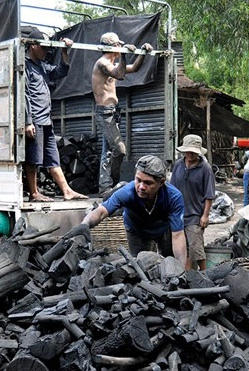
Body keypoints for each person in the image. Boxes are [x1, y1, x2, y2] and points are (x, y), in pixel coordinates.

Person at [65, 155, 188, 268]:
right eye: (138, 180)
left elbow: (177, 235)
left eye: (148, 183)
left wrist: (181, 269)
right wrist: (85, 224)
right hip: (136, 229)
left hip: (163, 229)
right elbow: (102, 211)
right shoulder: (127, 192)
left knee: (170, 264)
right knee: (139, 266)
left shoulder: (173, 197)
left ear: (161, 183)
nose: (141, 187)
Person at [24, 28, 87, 202]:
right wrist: (28, 121)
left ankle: (67, 191)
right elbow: (25, 95)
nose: (45, 51)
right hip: (35, 119)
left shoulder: (42, 66)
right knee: (33, 159)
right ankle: (34, 193)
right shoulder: (25, 66)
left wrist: (64, 51)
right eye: (43, 48)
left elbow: (62, 71)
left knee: (53, 158)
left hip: (46, 120)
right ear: (33, 46)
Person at [92, 32, 154, 196]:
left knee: (108, 152)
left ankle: (105, 187)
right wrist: (126, 55)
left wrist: (142, 53)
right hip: (104, 114)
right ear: (111, 46)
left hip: (113, 113)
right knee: (120, 150)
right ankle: (112, 184)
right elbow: (119, 74)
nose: (120, 47)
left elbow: (133, 68)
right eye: (118, 45)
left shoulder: (112, 64)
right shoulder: (103, 63)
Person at [170, 134, 216, 270]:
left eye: (193, 152)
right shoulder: (178, 165)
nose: (190, 154)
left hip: (195, 214)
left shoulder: (205, 168)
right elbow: (171, 188)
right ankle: (186, 274)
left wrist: (205, 215)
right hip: (178, 213)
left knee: (196, 248)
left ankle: (205, 274)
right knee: (181, 248)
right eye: (187, 151)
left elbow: (209, 194)